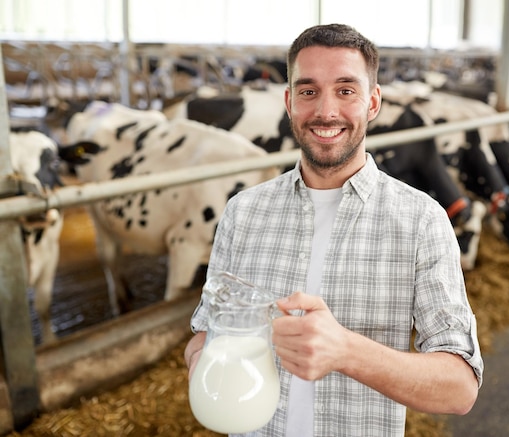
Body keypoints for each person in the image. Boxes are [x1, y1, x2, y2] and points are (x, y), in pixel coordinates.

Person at [184, 23, 483, 437]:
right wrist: (203, 366)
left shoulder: (421, 221)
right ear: (289, 102)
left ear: (373, 102)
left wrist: (346, 351)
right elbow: (204, 333)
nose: (325, 111)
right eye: (308, 91)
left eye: (346, 90)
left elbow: (460, 388)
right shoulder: (242, 212)